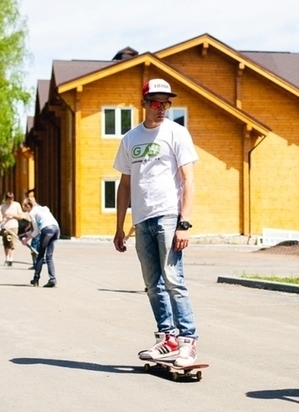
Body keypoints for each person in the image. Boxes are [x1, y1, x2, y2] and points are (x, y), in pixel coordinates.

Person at [112, 78, 199, 367]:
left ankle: (188, 341)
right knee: (152, 284)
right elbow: (124, 186)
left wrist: (183, 223)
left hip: (167, 216)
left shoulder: (176, 133)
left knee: (174, 280)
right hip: (141, 220)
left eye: (166, 103)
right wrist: (119, 227)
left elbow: (188, 180)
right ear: (145, 104)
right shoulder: (130, 138)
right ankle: (168, 338)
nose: (161, 108)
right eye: (156, 103)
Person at [20, 197, 60, 288]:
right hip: (56, 228)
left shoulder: (32, 213)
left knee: (40, 255)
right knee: (49, 256)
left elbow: (36, 231)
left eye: (25, 209)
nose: (26, 211)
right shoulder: (44, 208)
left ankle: (36, 279)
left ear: (28, 206)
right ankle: (52, 279)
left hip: (47, 230)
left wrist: (26, 240)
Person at [0, 192, 23, 267]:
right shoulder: (2, 206)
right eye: (9, 199)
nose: (10, 200)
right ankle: (7, 257)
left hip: (13, 226)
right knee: (6, 243)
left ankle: (11, 258)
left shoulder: (17, 205)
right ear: (6, 199)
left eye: (12, 199)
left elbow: (21, 216)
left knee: (12, 242)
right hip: (5, 226)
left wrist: (13, 215)